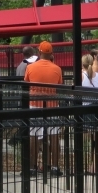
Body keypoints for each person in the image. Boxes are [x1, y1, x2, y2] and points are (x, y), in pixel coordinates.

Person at [24, 41, 64, 176]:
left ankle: (32, 167)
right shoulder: (57, 69)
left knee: (33, 135)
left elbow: (26, 83)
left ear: (39, 52)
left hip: (35, 104)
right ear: (51, 53)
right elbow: (60, 86)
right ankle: (54, 167)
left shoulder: (30, 67)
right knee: (54, 135)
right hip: (52, 105)